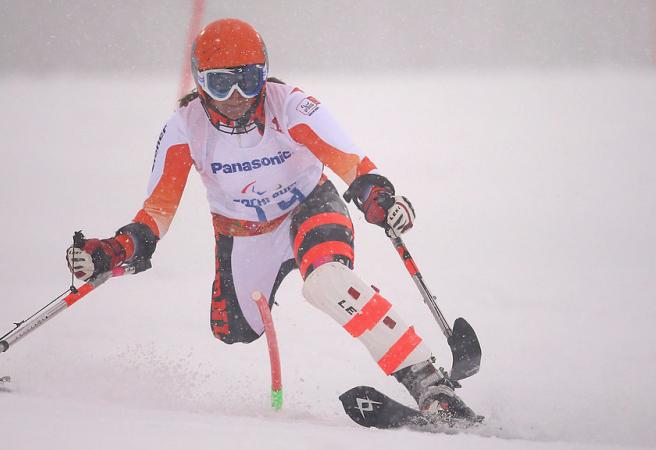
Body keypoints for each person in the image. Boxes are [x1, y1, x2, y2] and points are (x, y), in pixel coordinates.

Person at [67, 18, 474, 420]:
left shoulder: (291, 105)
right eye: (221, 84)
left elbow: (354, 166)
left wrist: (379, 198)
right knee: (234, 331)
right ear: (199, 83)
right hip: (243, 232)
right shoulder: (183, 129)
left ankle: (429, 384)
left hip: (309, 206)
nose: (238, 97)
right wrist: (118, 248)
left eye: (249, 79)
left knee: (326, 281)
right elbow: (157, 211)